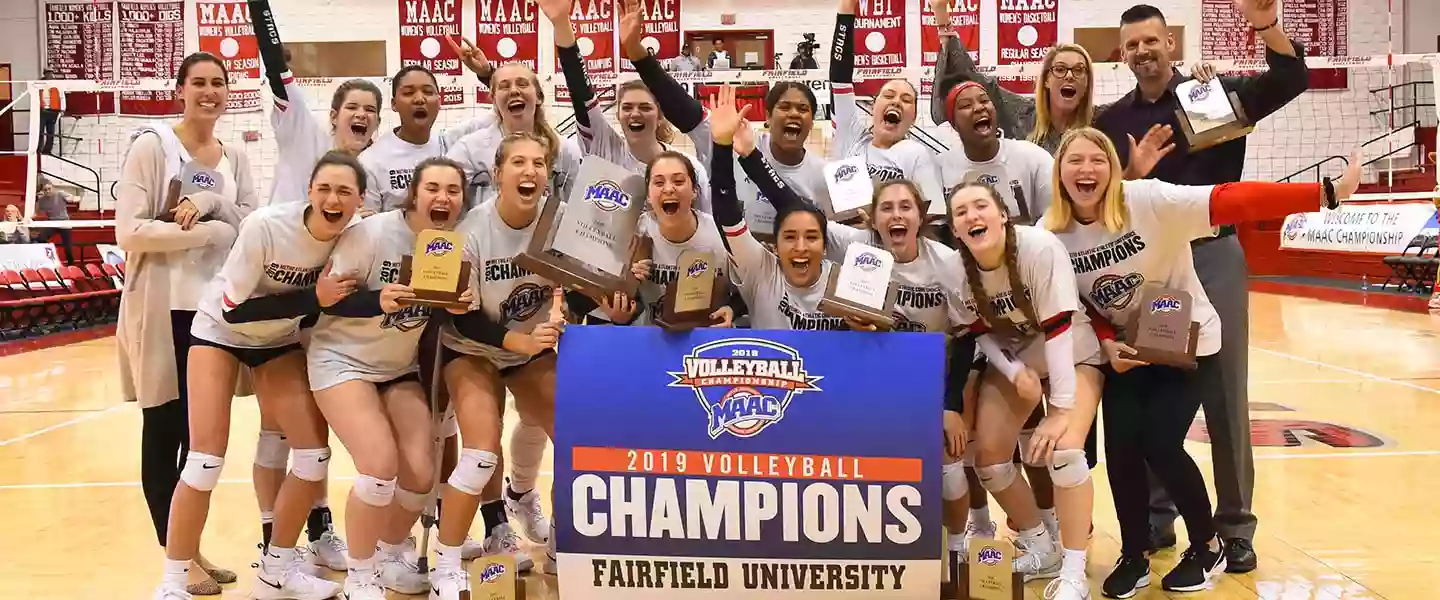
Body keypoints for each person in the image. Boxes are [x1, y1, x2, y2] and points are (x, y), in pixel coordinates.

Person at [1045, 127, 1358, 596]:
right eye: (1075, 161)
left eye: (1097, 159)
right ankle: (1134, 556)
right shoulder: (1052, 235)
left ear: (1113, 167)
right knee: (1123, 453)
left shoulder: (1148, 200)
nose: (1086, 170)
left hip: (1187, 343)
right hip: (1127, 352)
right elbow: (1079, 302)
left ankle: (1206, 544)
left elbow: (1234, 200)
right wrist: (1108, 341)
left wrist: (1327, 192)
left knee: (1160, 443)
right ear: (1059, 173)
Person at [1094, 2, 1310, 572]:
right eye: (1132, 44)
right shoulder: (1111, 123)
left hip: (1213, 256)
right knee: (1154, 394)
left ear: (1171, 42)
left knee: (1223, 396)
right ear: (1123, 54)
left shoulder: (1209, 97)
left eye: (1152, 40)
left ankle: (1235, 528)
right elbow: (1105, 204)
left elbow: (1292, 78)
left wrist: (1265, 23)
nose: (1143, 51)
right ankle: (1160, 521)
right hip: (1154, 269)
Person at [155, 151, 369, 600]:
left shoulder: (353, 239)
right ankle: (173, 583)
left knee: (313, 457)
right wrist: (316, 297)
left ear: (360, 201)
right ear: (309, 191)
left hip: (276, 342)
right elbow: (236, 309)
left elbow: (338, 301)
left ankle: (277, 569)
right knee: (205, 461)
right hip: (220, 332)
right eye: (324, 188)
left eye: (345, 191)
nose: (333, 198)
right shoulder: (267, 226)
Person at [430, 132, 607, 596]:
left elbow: (583, 289)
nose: (530, 171)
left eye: (539, 163)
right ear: (498, 172)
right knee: (480, 454)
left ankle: (561, 545)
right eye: (519, 163)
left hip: (528, 347)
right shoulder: (469, 232)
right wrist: (521, 342)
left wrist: (603, 294)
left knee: (575, 438)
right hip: (473, 347)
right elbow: (462, 322)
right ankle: (446, 563)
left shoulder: (563, 222)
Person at [116, 52, 254, 599]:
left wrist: (212, 200)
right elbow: (130, 232)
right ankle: (176, 560)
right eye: (198, 82)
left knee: (201, 444)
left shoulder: (235, 151)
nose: (209, 92)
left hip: (211, 313)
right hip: (160, 305)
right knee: (164, 434)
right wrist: (204, 233)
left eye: (218, 83)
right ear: (180, 90)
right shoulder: (153, 145)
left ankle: (190, 548)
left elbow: (246, 219)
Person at [306, 157, 473, 599]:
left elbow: (439, 315)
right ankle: (360, 577)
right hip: (342, 360)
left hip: (397, 369)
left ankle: (384, 554)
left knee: (421, 474)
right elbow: (328, 303)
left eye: (453, 190)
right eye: (433, 187)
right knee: (380, 467)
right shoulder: (372, 233)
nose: (443, 197)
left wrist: (459, 307)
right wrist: (376, 300)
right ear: (414, 193)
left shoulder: (455, 243)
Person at [941, 180, 1106, 595]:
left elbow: (1061, 333)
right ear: (955, 230)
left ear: (1002, 215)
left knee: (1066, 453)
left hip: (1075, 354)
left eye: (981, 206)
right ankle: (1039, 545)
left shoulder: (1039, 247)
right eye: (961, 213)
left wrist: (1061, 410)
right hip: (1021, 359)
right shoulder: (956, 271)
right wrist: (1014, 372)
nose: (972, 216)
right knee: (990, 460)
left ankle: (1072, 572)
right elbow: (980, 334)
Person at [624, 2, 829, 242]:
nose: (794, 114)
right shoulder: (736, 138)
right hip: (726, 266)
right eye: (784, 107)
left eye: (803, 109)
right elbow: (680, 106)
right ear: (767, 117)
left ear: (812, 120)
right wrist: (636, 52)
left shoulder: (822, 173)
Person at [553, 0, 712, 212]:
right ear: (617, 114)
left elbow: (704, 229)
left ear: (660, 115)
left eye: (645, 107)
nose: (635, 113)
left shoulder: (689, 168)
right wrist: (561, 23)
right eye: (627, 107)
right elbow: (581, 93)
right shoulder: (606, 148)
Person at [828, 0, 943, 214]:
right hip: (845, 235)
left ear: (914, 118)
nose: (897, 101)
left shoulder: (917, 155)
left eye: (906, 100)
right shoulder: (851, 134)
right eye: (889, 95)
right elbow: (839, 79)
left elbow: (935, 218)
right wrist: (846, 11)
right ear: (872, 107)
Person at [31, 177, 76, 261]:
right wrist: (37, 200)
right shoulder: (42, 200)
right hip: (52, 222)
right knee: (40, 238)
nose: (48, 191)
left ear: (53, 187)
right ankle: (49, 256)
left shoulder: (60, 193)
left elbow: (71, 198)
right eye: (45, 190)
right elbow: (35, 212)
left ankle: (71, 264)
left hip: (64, 223)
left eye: (49, 189)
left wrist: (72, 199)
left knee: (68, 247)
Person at [39, 69, 64, 156]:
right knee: (40, 131)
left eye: (51, 73)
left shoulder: (57, 84)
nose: (50, 75)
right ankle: (39, 149)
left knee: (51, 132)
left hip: (53, 110)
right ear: (45, 75)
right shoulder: (39, 84)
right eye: (48, 73)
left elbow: (61, 96)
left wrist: (62, 109)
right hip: (42, 110)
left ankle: (47, 150)